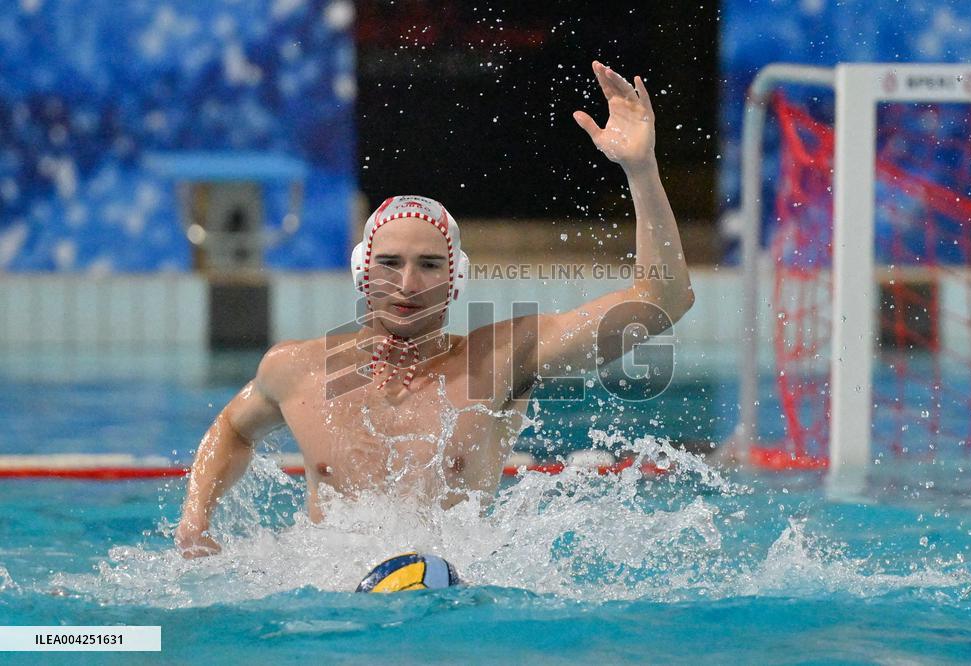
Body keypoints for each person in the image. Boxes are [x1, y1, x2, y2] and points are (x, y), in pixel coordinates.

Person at [175, 60, 694, 558]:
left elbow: (659, 303)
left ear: (455, 279)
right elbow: (233, 429)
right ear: (362, 271)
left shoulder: (499, 362)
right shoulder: (297, 369)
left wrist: (641, 169)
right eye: (390, 263)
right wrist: (195, 520)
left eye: (427, 264)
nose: (406, 283)